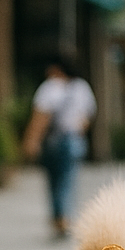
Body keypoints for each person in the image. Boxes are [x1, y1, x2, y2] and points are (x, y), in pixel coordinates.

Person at [23, 60, 97, 238]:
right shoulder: (81, 87)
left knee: (54, 180)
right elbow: (88, 115)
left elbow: (41, 116)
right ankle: (63, 217)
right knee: (68, 179)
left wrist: (31, 140)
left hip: (54, 140)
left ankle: (60, 217)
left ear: (56, 69)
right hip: (73, 139)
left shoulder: (50, 87)